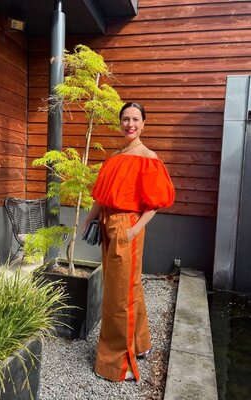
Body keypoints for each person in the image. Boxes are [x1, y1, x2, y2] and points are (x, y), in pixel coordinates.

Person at [82, 102, 175, 382]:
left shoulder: (148, 157)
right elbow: (101, 197)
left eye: (135, 119)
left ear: (144, 123)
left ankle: (115, 363)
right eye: (125, 119)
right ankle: (141, 344)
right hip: (108, 224)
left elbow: (155, 203)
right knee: (126, 287)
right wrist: (88, 221)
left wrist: (134, 231)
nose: (129, 124)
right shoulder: (115, 157)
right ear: (120, 122)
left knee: (117, 296)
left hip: (127, 225)